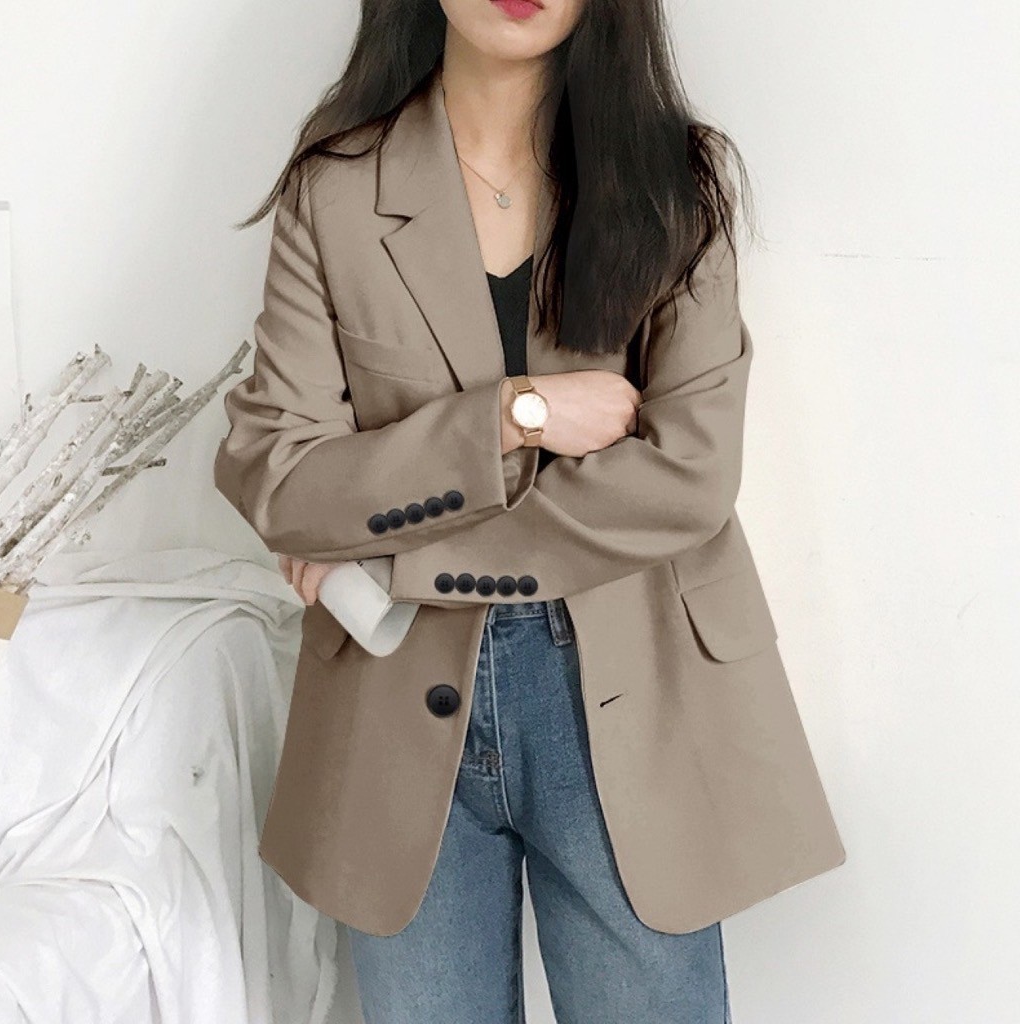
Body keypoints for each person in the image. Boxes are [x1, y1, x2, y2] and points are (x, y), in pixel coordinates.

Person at [213, 1, 847, 1021]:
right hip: (392, 698)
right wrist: (516, 414)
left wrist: (397, 557)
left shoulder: (674, 181)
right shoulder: (335, 188)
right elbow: (279, 476)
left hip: (633, 682)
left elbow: (686, 476)